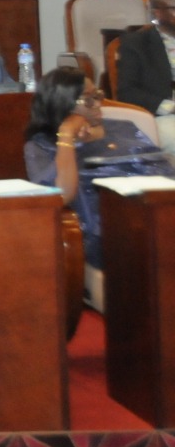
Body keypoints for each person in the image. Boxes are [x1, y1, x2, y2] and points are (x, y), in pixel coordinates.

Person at [24, 67, 172, 308]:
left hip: (154, 210)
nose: (98, 104)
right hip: (102, 227)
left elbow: (162, 169)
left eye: (98, 95)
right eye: (88, 99)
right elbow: (62, 195)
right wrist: (67, 136)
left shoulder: (123, 127)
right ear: (64, 104)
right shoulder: (41, 146)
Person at [116, 0, 175, 152]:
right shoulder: (136, 44)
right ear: (157, 12)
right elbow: (127, 92)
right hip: (163, 116)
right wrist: (170, 107)